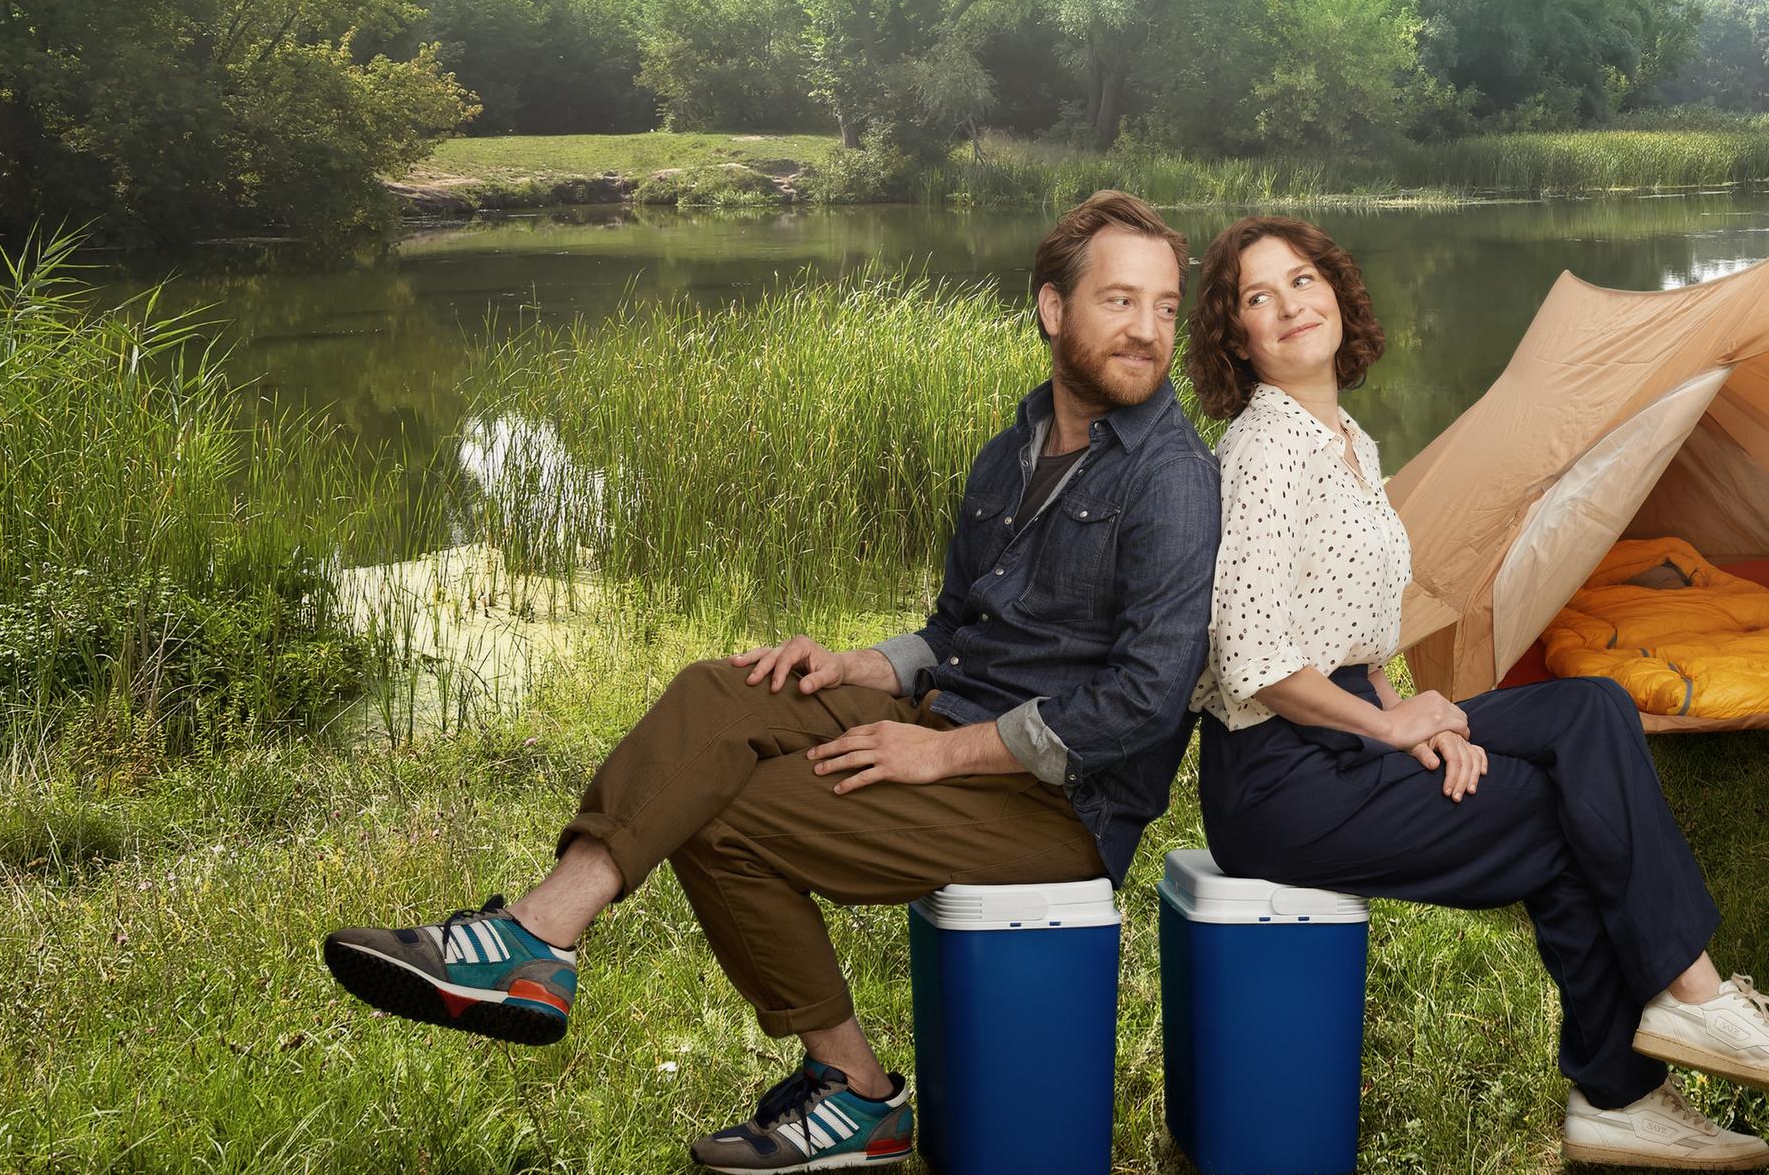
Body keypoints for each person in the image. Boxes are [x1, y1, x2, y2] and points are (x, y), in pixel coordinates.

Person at [322, 191, 1222, 1173]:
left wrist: (938, 753)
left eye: (1166, 307)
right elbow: (953, 632)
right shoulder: (1012, 453)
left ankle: (857, 1095)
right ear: (1054, 309)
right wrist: (854, 666)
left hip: (1062, 809)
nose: (1148, 331)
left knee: (724, 811)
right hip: (951, 717)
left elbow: (1146, 697)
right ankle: (539, 938)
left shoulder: (1172, 477)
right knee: (718, 692)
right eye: (1121, 302)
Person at [1183, 215, 1769, 1172]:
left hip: (1344, 736)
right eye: (1257, 297)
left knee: (1594, 710)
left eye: (1302, 279)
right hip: (1279, 781)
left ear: (1336, 291)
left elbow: (1350, 637)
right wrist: (1388, 723)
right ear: (1236, 337)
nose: (1289, 305)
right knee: (1558, 813)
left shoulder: (1350, 446)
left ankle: (1671, 1025)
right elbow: (1252, 657)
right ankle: (1651, 1058)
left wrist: (1415, 724)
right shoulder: (1263, 450)